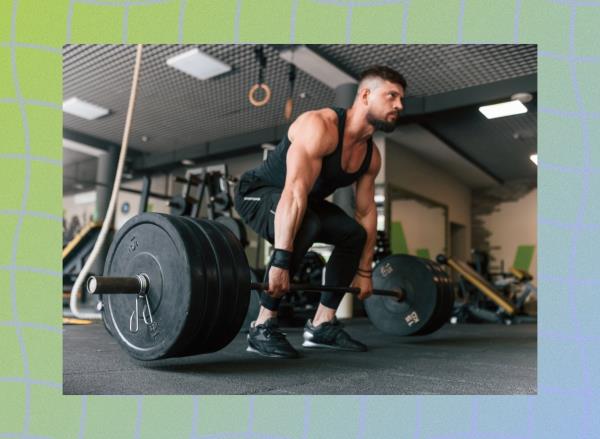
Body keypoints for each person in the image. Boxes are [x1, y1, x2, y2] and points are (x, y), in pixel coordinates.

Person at [234, 65, 406, 358]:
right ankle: (262, 325)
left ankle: (321, 324)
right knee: (308, 223)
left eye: (401, 99)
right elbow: (295, 191)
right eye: (392, 96)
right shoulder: (320, 126)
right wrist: (280, 260)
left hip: (303, 203)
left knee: (351, 234)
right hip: (258, 193)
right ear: (365, 94)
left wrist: (365, 271)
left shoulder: (370, 156)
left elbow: (365, 213)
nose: (399, 105)